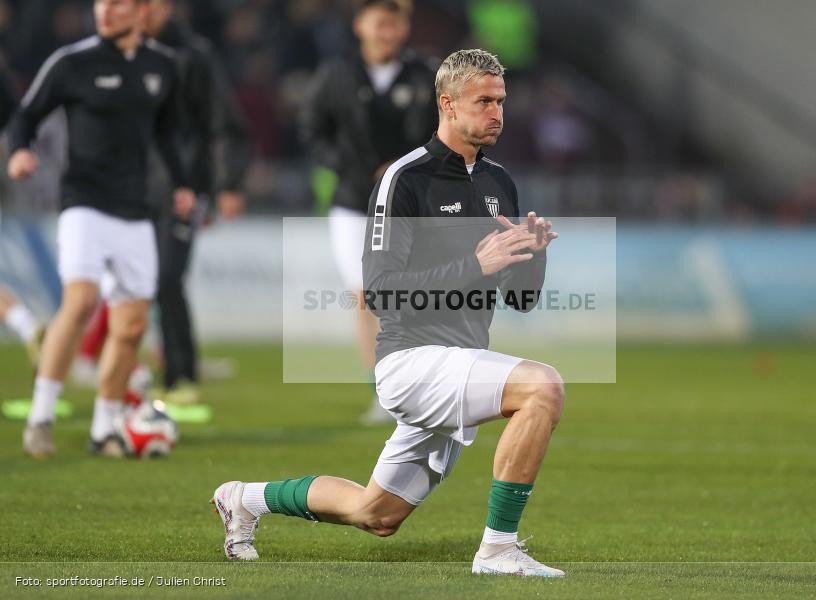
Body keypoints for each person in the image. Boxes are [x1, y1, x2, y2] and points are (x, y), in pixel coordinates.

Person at [212, 49, 566, 577]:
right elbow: (378, 290)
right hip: (412, 361)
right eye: (484, 102)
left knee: (375, 514)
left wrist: (532, 257)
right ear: (446, 104)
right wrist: (475, 263)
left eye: (501, 102)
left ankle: (244, 498)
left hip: (460, 362)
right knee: (543, 387)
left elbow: (520, 299)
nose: (497, 113)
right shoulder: (405, 179)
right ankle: (498, 549)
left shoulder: (499, 183)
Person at [6, 0, 194, 458]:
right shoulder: (72, 62)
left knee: (130, 327)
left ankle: (104, 428)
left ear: (143, 11)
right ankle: (41, 418)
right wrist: (19, 151)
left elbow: (168, 133)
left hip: (137, 211)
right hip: (84, 203)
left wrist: (183, 183)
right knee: (82, 300)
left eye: (119, 4)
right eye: (101, 4)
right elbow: (25, 115)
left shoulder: (162, 67)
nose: (106, 12)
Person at [71, 0, 252, 403]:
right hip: (121, 188)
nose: (143, 10)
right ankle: (116, 374)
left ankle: (180, 377)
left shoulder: (194, 56)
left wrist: (228, 184)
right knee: (121, 282)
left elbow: (223, 122)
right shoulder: (110, 53)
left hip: (180, 187)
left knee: (168, 277)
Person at [303, 0, 437, 424]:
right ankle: (384, 391)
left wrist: (405, 170)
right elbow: (312, 129)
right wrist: (353, 168)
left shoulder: (425, 75)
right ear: (361, 25)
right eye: (381, 23)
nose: (388, 32)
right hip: (352, 203)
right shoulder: (336, 74)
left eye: (395, 24)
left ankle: (419, 384)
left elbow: (446, 134)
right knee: (366, 296)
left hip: (410, 205)